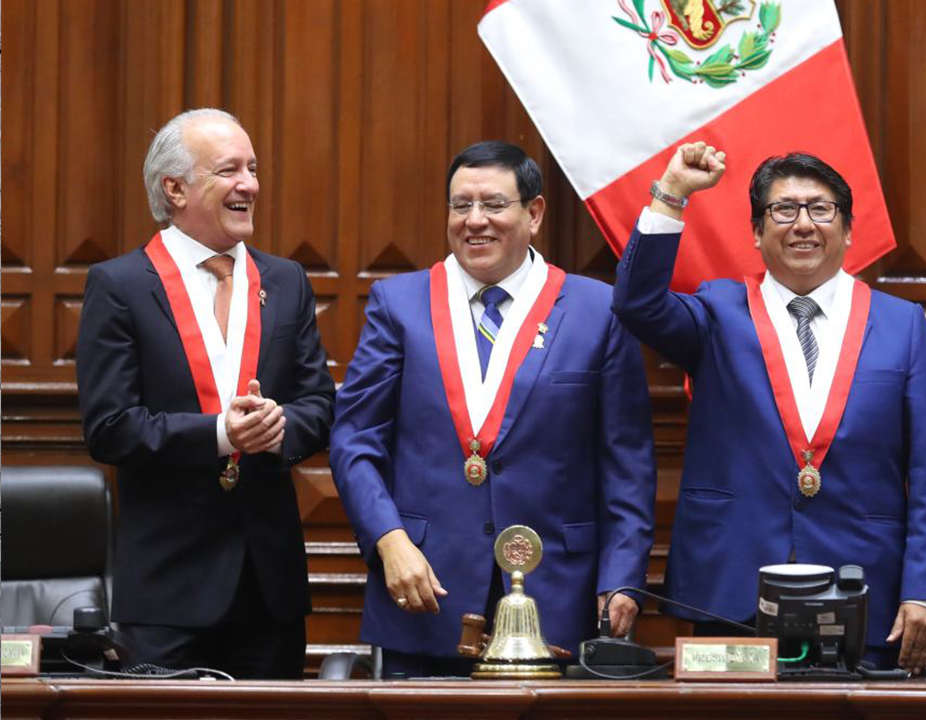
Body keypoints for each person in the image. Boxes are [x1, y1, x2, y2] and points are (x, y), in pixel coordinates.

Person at [612, 142, 926, 674]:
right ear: (756, 232)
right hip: (732, 590)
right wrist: (673, 194)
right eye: (783, 209)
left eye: (820, 209)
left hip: (864, 587)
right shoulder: (718, 311)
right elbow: (636, 303)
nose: (803, 224)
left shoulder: (902, 323)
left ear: (848, 229)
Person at [329, 141, 656, 677]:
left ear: (534, 213)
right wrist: (389, 541)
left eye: (494, 204)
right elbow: (354, 441)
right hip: (425, 590)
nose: (475, 220)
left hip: (560, 596)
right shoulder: (399, 304)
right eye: (461, 205)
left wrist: (621, 578)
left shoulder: (597, 310)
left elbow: (628, 463)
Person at [77, 109, 335, 678]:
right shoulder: (120, 285)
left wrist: (278, 428)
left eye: (253, 169)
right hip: (168, 592)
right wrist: (222, 433)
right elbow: (110, 427)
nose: (250, 185)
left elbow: (319, 403)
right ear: (175, 189)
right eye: (229, 170)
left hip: (269, 590)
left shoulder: (286, 280)